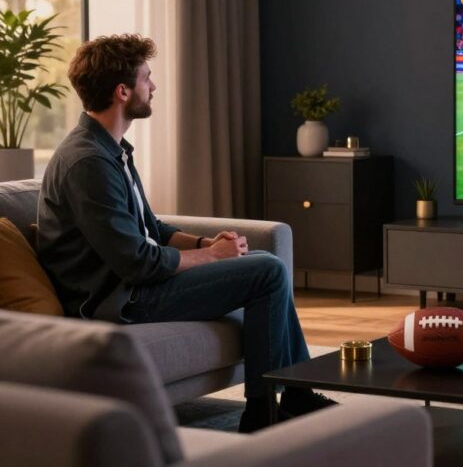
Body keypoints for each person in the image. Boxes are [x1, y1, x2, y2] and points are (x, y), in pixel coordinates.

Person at [36, 34, 334, 433]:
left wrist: (202, 244)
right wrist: (213, 258)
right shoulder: (88, 162)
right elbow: (137, 261)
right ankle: (261, 413)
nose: (154, 87)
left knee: (265, 265)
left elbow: (150, 228)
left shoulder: (109, 148)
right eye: (147, 78)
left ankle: (294, 396)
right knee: (267, 271)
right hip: (118, 300)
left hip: (131, 285)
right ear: (123, 92)